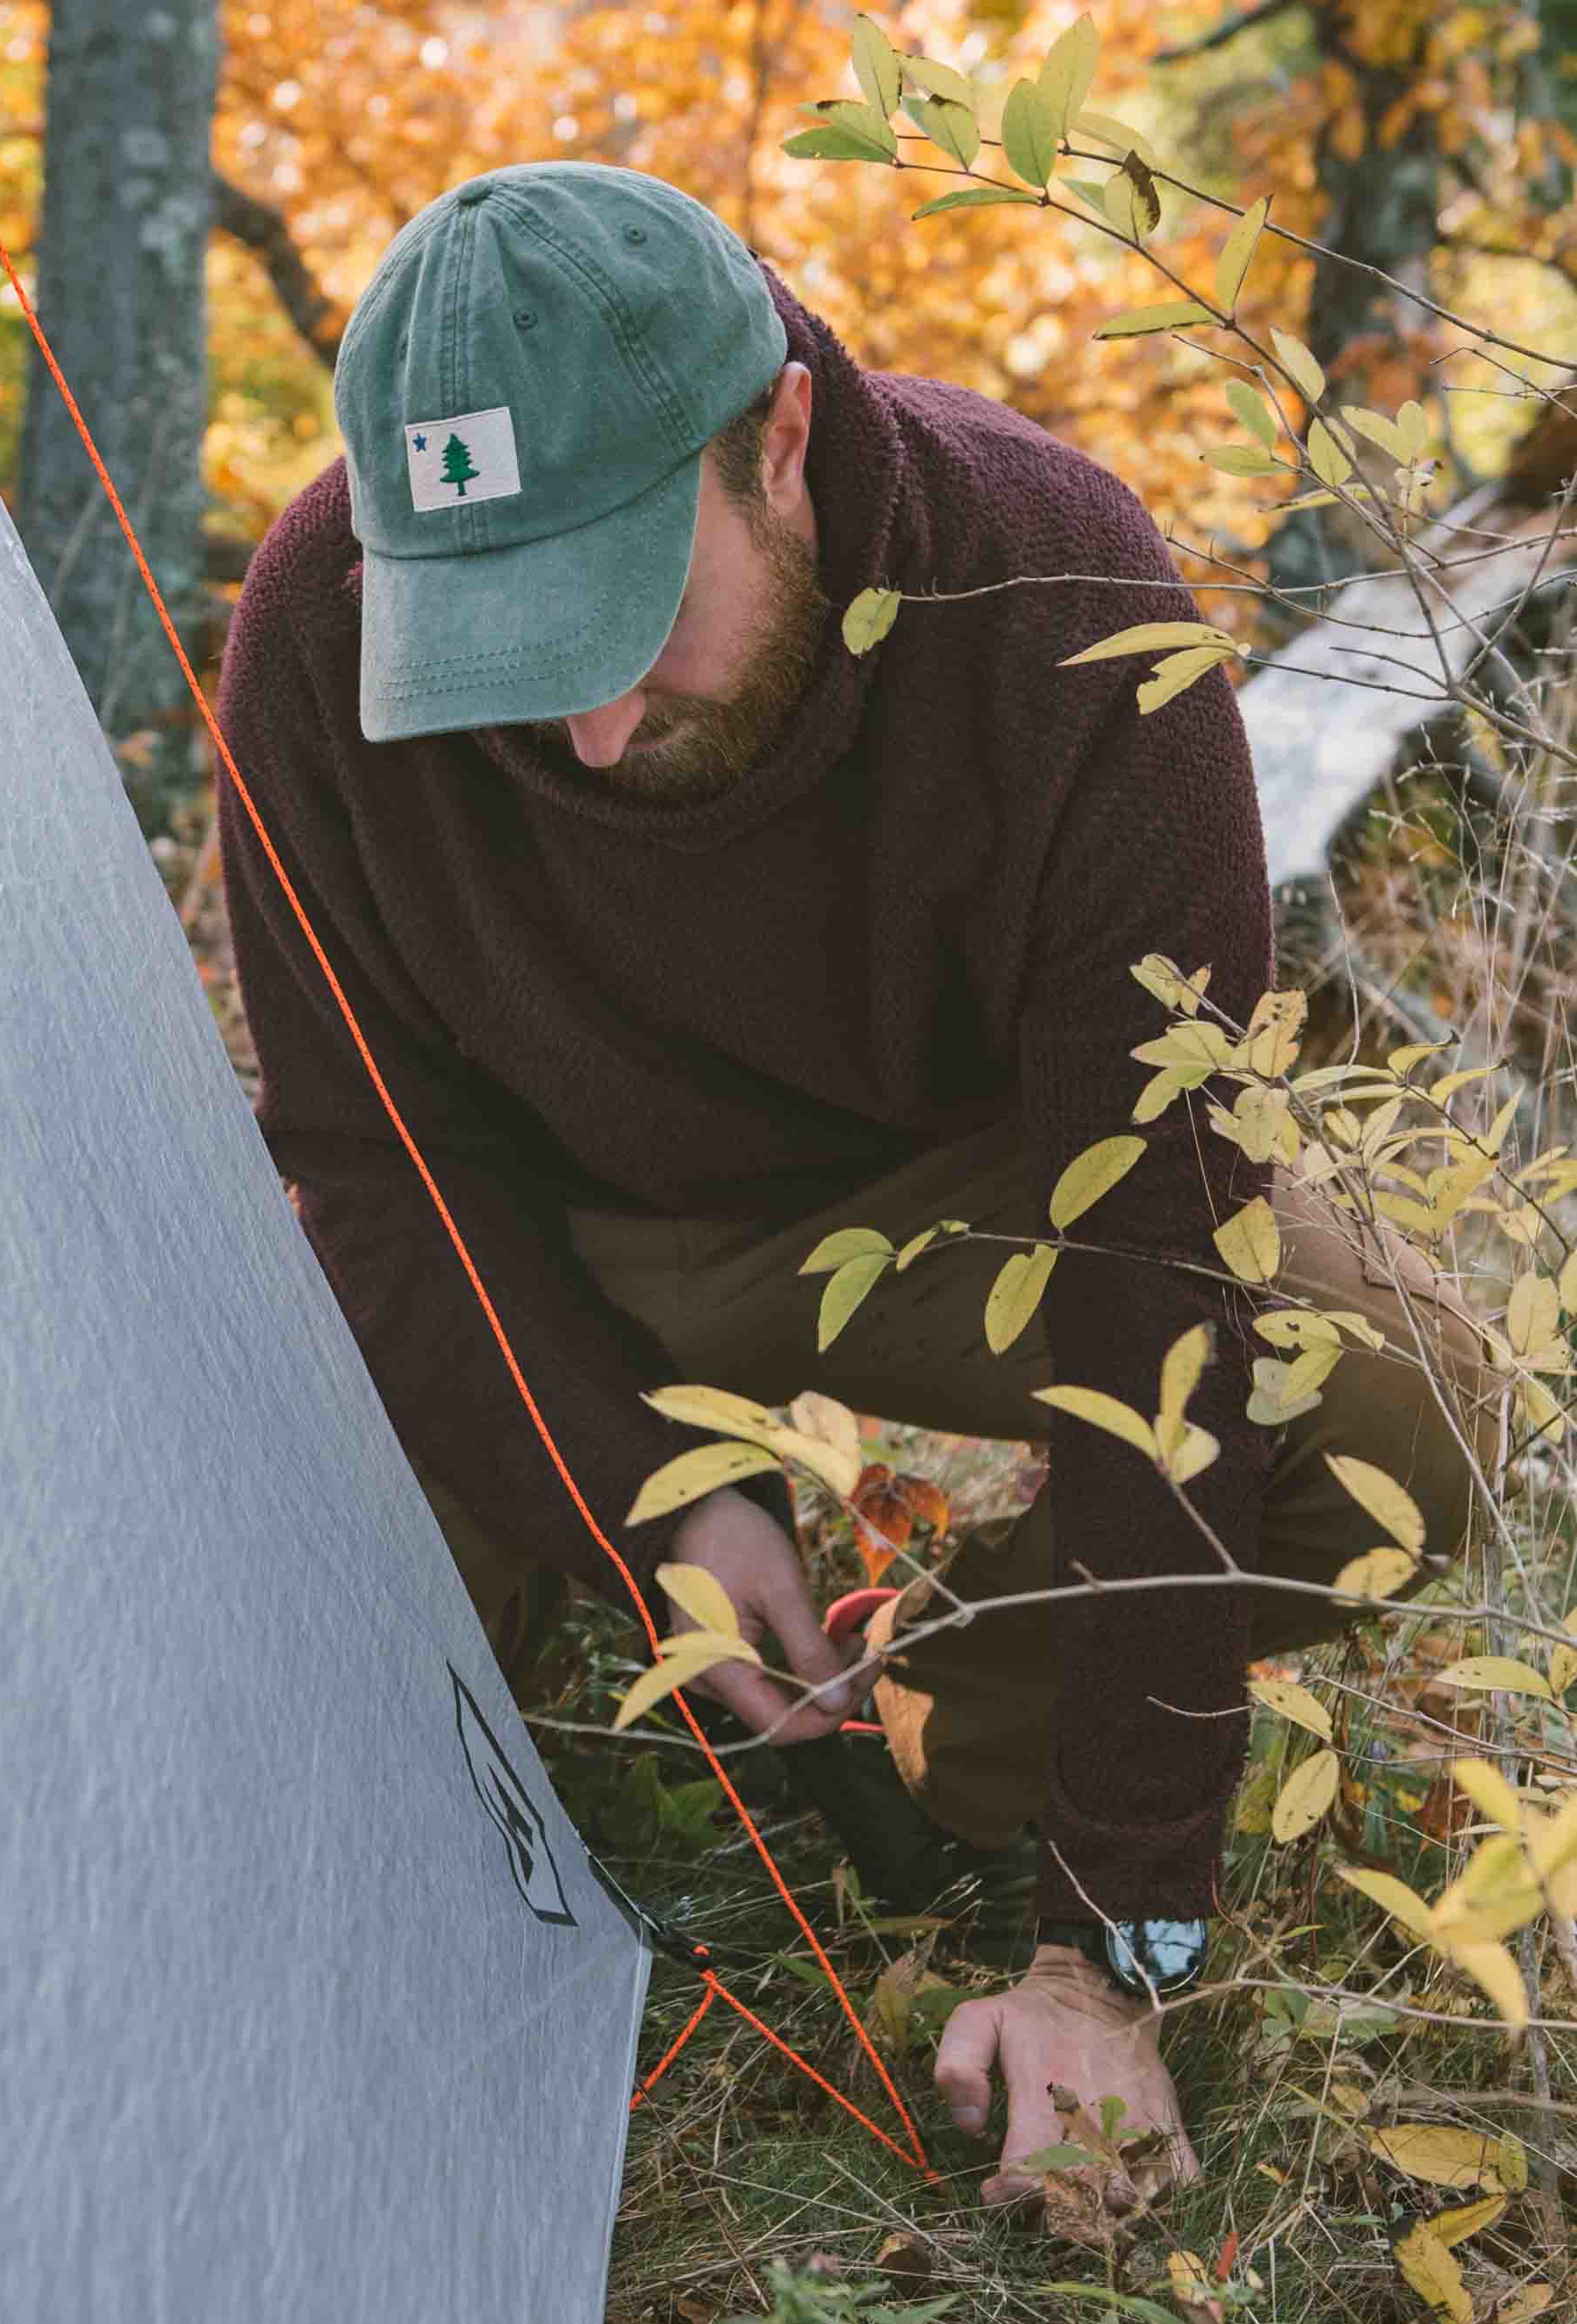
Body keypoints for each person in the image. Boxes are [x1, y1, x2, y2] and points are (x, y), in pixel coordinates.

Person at [211, 162, 1492, 2196]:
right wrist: (652, 1499)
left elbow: (1156, 1250)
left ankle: (949, 1727)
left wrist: (1113, 1943)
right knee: (319, 1585)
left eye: (625, 614)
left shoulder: (1060, 607)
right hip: (563, 1230)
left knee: (1407, 1410)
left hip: (961, 1186)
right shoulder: (316, 631)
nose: (590, 718)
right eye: (500, 644)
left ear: (782, 438)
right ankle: (558, 1762)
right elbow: (374, 1165)